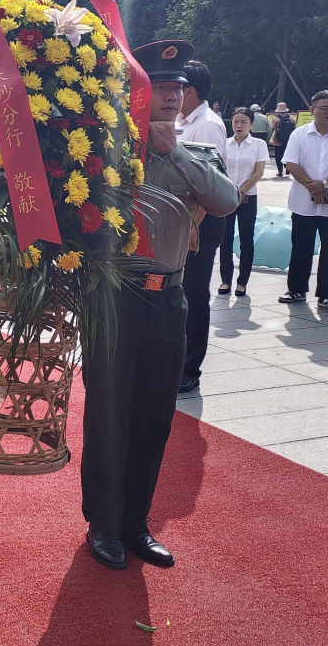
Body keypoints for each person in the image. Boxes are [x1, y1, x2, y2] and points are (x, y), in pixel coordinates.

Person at [83, 42, 239, 571]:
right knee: (109, 416)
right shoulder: (108, 153)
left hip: (169, 300)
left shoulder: (197, 156)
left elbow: (227, 201)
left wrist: (175, 153)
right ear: (137, 93)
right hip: (115, 299)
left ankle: (135, 522)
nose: (171, 96)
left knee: (154, 418)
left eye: (177, 88)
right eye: (160, 87)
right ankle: (103, 524)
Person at [173, 60, 228, 394]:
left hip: (201, 222)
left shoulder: (207, 126)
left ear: (189, 91)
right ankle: (176, 360)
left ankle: (190, 368)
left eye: (175, 87)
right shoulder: (182, 121)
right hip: (183, 219)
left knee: (194, 293)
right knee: (178, 292)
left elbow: (212, 184)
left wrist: (192, 228)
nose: (169, 94)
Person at [279, 90, 328, 312]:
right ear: (312, 110)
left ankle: (327, 295)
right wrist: (312, 187)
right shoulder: (299, 134)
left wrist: (323, 184)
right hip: (303, 204)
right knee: (301, 248)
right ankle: (296, 290)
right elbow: (291, 163)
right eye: (325, 108)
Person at [219, 107, 268, 297]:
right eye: (235, 121)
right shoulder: (224, 144)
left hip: (248, 197)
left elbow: (259, 172)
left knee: (246, 239)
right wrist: (230, 190)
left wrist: (242, 190)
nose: (239, 125)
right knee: (225, 239)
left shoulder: (258, 144)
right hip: (226, 195)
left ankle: (242, 282)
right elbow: (219, 169)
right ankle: (225, 280)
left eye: (244, 122)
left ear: (252, 124)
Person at [271, 102, 295, 176]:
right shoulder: (291, 117)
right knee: (287, 154)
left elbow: (272, 127)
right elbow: (294, 127)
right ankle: (287, 169)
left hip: (278, 140)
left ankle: (280, 171)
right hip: (288, 139)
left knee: (278, 155)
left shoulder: (275, 118)